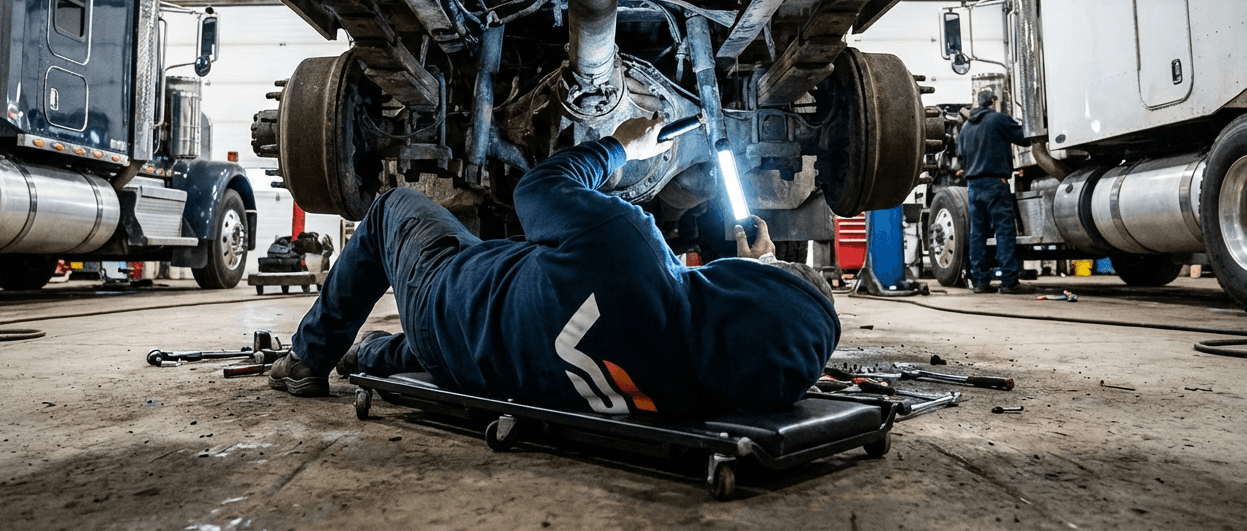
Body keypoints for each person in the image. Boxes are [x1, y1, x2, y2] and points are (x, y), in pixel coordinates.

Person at [268, 115, 840, 416]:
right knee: (530, 305)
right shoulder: (700, 390)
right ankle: (368, 355)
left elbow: (539, 188)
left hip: (451, 308)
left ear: (749, 291)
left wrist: (620, 148)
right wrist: (757, 271)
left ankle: (307, 357)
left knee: (393, 208)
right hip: (496, 361)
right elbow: (754, 330)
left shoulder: (631, 249)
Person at [957, 88, 1033, 294]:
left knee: (977, 234)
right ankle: (1009, 281)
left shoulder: (965, 128)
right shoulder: (998, 120)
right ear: (992, 102)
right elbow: (1025, 138)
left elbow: (960, 156)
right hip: (995, 184)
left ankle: (980, 282)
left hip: (973, 186)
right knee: (1004, 231)